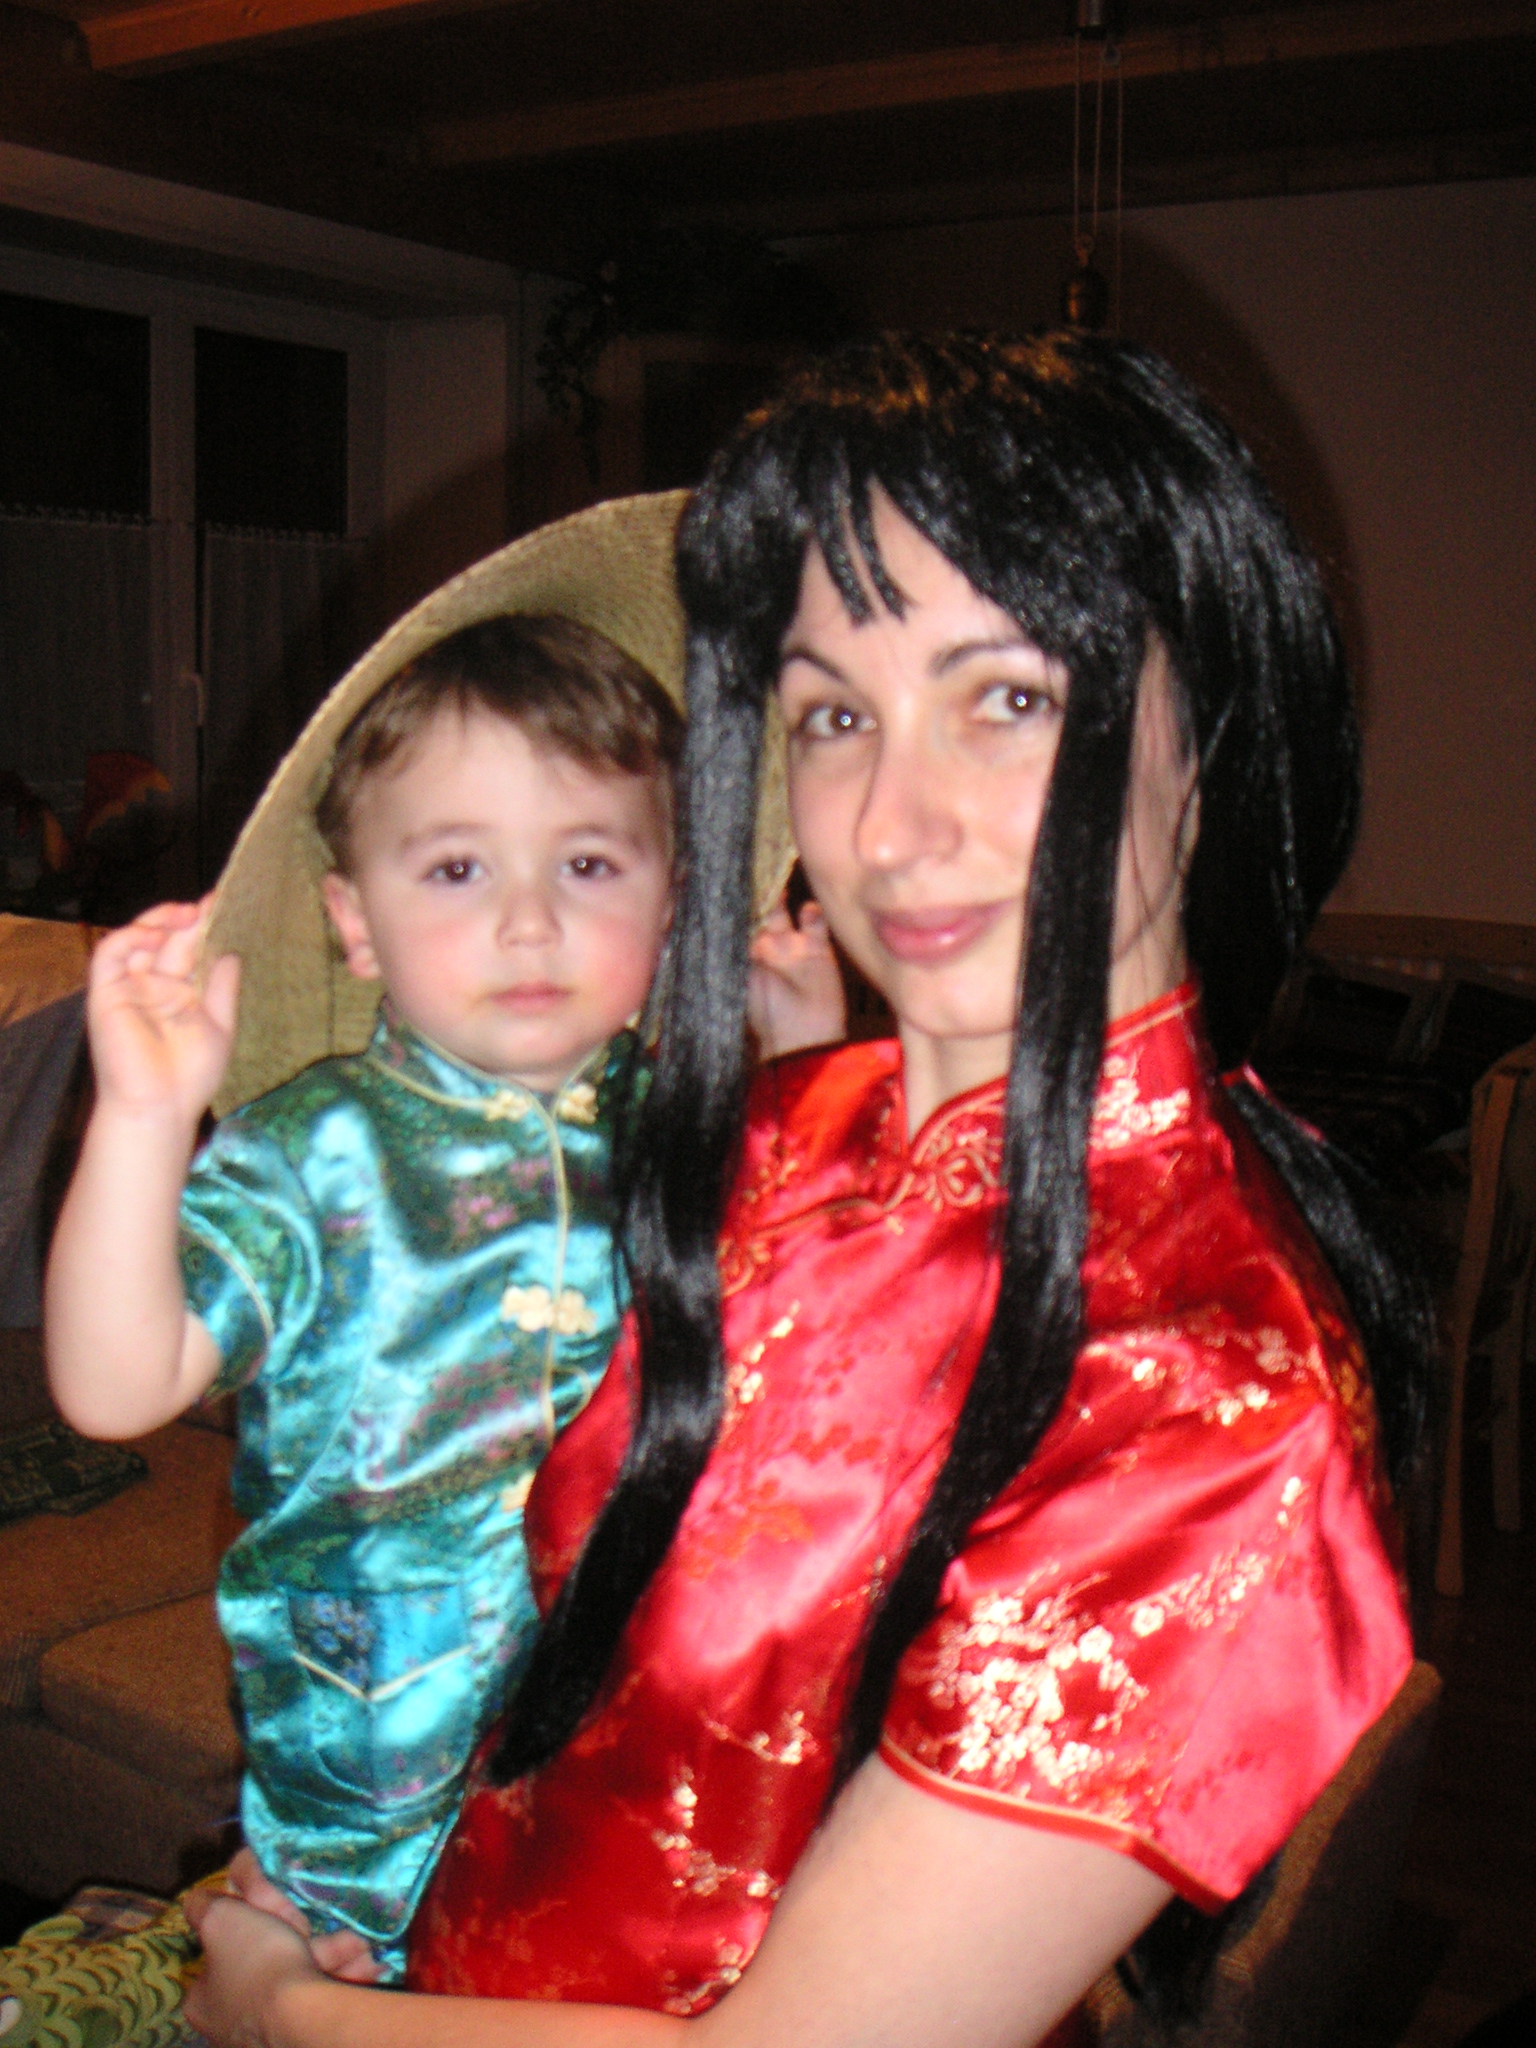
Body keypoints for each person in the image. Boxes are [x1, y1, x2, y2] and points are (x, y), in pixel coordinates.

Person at [182, 330, 1428, 2048]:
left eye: (1007, 699)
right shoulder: (776, 1127)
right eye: (838, 715)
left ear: (1200, 734)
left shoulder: (1210, 1395)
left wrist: (279, 2017)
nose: (891, 826)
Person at [44, 603, 842, 1984]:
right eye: (459, 867)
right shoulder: (314, 1152)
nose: (529, 920)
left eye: (587, 862)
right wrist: (140, 1117)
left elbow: (809, 1345)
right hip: (376, 1786)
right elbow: (115, 1387)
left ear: (672, 907)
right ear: (356, 923)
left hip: (641, 1757)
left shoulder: (686, 1130)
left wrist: (804, 1066)